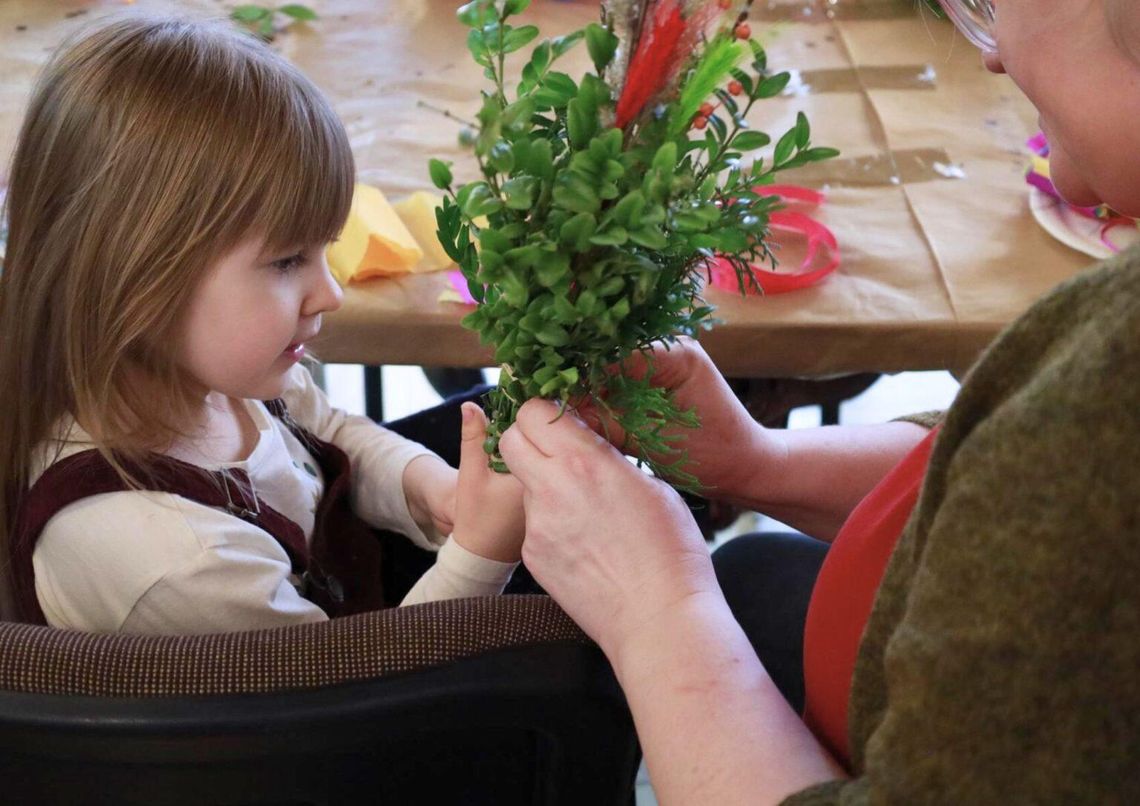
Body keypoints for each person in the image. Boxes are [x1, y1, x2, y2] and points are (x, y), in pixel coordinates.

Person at [498, 0, 1140, 802]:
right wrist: (761, 462)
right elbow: (998, 463)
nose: (993, 55)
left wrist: (655, 612)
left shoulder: (1110, 404)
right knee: (758, 570)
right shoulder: (1094, 382)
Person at [0, 15, 524, 634]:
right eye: (286, 260)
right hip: (348, 697)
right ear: (133, 278)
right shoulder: (173, 560)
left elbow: (322, 430)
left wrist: (425, 487)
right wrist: (482, 558)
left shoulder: (209, 368)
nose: (329, 293)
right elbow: (348, 701)